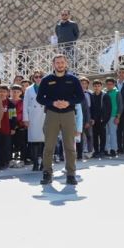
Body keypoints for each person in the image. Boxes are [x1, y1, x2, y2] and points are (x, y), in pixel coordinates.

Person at [36, 55, 85, 185]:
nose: (60, 65)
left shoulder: (73, 79)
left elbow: (80, 97)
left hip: (68, 114)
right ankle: (47, 173)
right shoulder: (47, 80)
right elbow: (40, 98)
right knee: (49, 146)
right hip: (52, 114)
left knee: (69, 146)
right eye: (57, 63)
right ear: (53, 64)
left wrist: (69, 102)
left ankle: (71, 174)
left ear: (66, 63)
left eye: (62, 62)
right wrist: (52, 103)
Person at [23, 71, 47, 170]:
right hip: (32, 117)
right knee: (34, 141)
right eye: (36, 77)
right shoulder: (28, 89)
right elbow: (25, 104)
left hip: (45, 116)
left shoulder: (47, 87)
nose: (38, 78)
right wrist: (26, 119)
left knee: (44, 141)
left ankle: (44, 163)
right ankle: (35, 163)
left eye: (40, 77)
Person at [89, 80, 110, 158]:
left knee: (102, 136)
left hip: (102, 120)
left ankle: (102, 151)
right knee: (94, 136)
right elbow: (90, 108)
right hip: (94, 120)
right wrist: (91, 118)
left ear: (101, 87)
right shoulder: (92, 95)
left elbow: (108, 109)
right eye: (95, 86)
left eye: (98, 86)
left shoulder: (105, 96)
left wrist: (105, 119)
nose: (97, 88)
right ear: (93, 87)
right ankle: (96, 151)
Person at [104, 77, 122, 158]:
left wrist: (118, 116)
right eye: (107, 84)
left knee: (113, 133)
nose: (109, 86)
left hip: (113, 116)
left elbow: (120, 105)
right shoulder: (104, 93)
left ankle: (114, 149)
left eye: (111, 84)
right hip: (105, 117)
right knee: (105, 134)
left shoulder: (117, 92)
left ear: (114, 84)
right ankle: (106, 149)